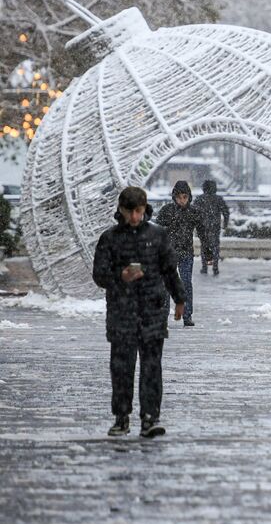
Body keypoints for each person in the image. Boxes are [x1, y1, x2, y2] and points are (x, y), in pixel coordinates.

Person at [92, 186, 186, 438]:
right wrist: (120, 276)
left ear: (145, 210)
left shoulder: (158, 235)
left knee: (152, 366)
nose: (134, 217)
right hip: (121, 312)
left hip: (151, 310)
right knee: (122, 367)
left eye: (139, 211)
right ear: (120, 210)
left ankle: (150, 417)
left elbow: (169, 269)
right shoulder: (109, 238)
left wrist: (180, 299)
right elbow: (99, 275)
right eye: (129, 212)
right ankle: (121, 416)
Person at [157, 180, 200, 327]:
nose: (182, 200)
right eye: (179, 197)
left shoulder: (193, 212)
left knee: (186, 283)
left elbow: (203, 232)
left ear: (189, 197)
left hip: (186, 252)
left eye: (185, 197)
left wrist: (208, 251)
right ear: (174, 197)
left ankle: (187, 315)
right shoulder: (167, 211)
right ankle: (162, 316)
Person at [194, 179, 230, 277]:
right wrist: (225, 223)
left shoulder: (199, 199)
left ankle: (204, 267)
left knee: (204, 246)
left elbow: (193, 213)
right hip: (215, 226)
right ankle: (215, 267)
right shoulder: (219, 199)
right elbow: (226, 212)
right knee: (215, 246)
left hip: (202, 226)